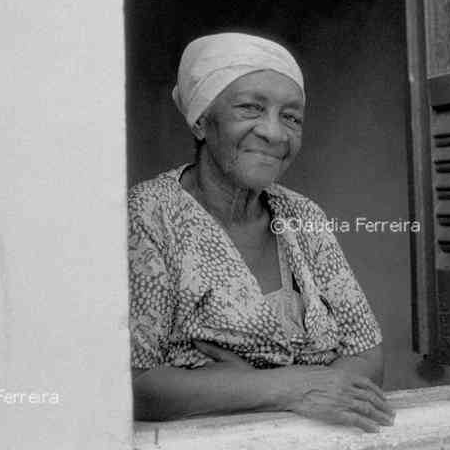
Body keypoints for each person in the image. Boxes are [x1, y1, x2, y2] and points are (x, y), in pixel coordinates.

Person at [129, 32, 395, 433]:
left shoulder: (302, 215)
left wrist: (235, 383)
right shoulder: (148, 216)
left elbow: (367, 354)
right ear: (202, 120)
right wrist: (292, 385)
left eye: (291, 117)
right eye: (251, 108)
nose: (274, 133)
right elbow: (136, 385)